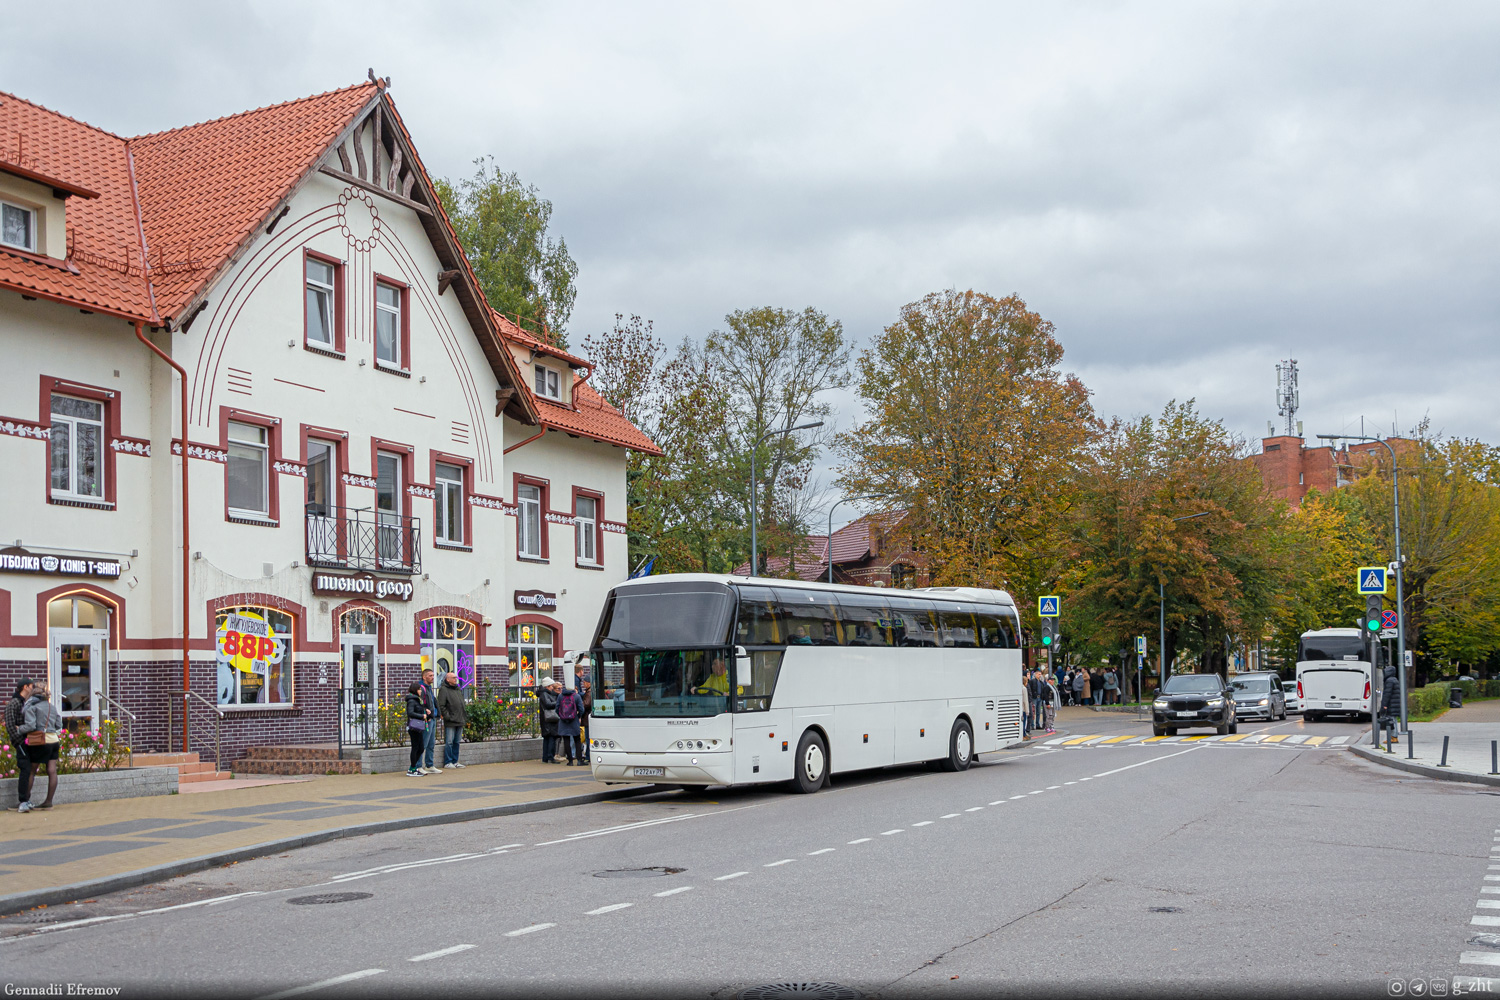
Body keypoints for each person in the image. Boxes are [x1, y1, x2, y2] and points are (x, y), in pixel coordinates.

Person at [18, 681, 64, 809]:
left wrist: (19, 729)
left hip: (40, 742)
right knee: (52, 771)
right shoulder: (52, 707)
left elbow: (30, 726)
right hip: (54, 740)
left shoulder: (32, 707)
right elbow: (59, 725)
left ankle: (25, 801)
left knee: (31, 771)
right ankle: (48, 802)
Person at [5, 678, 35, 813]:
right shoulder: (14, 703)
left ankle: (26, 799)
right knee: (25, 769)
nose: (33, 688)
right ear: (25, 687)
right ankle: (23, 800)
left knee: (28, 770)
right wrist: (20, 741)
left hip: (28, 741)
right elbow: (10, 725)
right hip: (21, 742)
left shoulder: (25, 702)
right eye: (31, 686)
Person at [438, 671, 467, 769]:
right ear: (448, 679)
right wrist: (447, 717)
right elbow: (441, 705)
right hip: (451, 720)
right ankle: (448, 761)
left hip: (460, 718)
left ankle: (455, 761)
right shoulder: (444, 690)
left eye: (456, 677)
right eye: (453, 678)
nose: (456, 679)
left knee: (457, 742)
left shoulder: (458, 689)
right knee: (449, 742)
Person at [404, 681, 430, 776]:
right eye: (419, 689)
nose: (421, 691)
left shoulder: (417, 700)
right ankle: (412, 769)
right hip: (414, 727)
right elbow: (410, 713)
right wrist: (421, 716)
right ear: (415, 690)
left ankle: (413, 767)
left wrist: (425, 710)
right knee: (415, 747)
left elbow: (417, 709)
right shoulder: (412, 700)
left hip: (419, 727)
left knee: (421, 748)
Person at [419, 668, 441, 774]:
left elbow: (432, 701)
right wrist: (425, 712)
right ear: (424, 677)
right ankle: (418, 766)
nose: (432, 678)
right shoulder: (421, 688)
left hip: (432, 717)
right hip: (426, 719)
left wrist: (437, 712)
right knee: (423, 743)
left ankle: (429, 765)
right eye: (430, 676)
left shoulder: (429, 688)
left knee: (431, 743)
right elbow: (419, 703)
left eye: (433, 675)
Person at [556, 681, 583, 765]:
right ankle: (579, 760)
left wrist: (561, 716)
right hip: (574, 721)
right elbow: (581, 709)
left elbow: (557, 708)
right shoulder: (577, 696)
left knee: (566, 740)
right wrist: (577, 716)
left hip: (563, 722)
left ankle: (570, 761)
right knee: (577, 740)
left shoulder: (560, 696)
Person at [537, 677, 560, 763]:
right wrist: (558, 703)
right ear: (547, 686)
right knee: (551, 738)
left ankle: (546, 757)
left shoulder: (544, 693)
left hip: (546, 719)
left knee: (547, 738)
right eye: (551, 686)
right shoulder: (544, 694)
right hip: (549, 719)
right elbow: (548, 704)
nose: (552, 688)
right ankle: (550, 756)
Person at [578, 679, 593, 763]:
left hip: (587, 718)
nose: (583, 684)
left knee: (588, 738)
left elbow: (586, 704)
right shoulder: (590, 691)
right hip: (588, 718)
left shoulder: (589, 692)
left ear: (589, 683)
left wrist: (580, 706)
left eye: (585, 682)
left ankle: (588, 756)